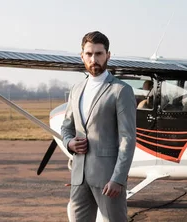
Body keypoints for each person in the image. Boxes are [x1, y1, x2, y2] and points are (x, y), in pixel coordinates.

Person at [61, 31, 136, 222]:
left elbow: (127, 138)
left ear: (108, 55)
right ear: (82, 56)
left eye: (99, 54)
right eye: (89, 54)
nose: (94, 59)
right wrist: (69, 143)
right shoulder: (76, 90)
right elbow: (67, 127)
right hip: (79, 177)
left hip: (108, 178)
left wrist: (118, 178)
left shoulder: (121, 90)